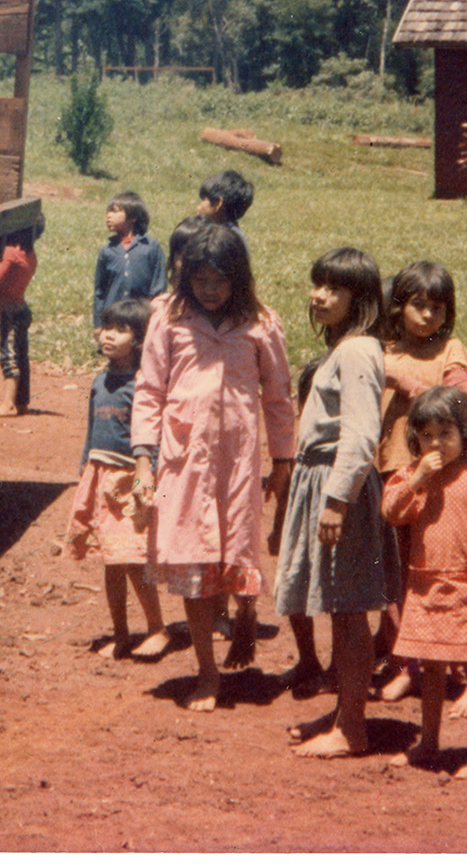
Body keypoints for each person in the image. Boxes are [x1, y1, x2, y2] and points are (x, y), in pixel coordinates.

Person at [131, 225, 294, 713]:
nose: (210, 289)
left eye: (220, 280)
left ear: (238, 279)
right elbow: (149, 391)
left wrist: (283, 460)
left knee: (238, 548)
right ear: (185, 277)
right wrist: (143, 462)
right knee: (191, 555)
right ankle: (206, 669)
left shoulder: (261, 323)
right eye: (200, 278)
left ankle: (245, 616)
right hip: (181, 465)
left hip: (239, 463)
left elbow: (278, 395)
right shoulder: (169, 317)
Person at [274, 248, 387, 758]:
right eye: (316, 283)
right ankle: (345, 711)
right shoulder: (343, 349)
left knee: (347, 608)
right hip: (319, 478)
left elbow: (362, 435)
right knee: (338, 606)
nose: (319, 295)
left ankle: (353, 727)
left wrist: (337, 499)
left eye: (334, 288)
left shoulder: (359, 350)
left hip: (337, 484)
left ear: (359, 299)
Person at [374, 260, 467, 702]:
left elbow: (466, 397)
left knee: (436, 568)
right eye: (418, 305)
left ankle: (451, 661)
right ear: (398, 308)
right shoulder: (384, 350)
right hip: (394, 471)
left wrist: (431, 392)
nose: (428, 316)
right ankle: (405, 661)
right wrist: (400, 375)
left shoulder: (450, 348)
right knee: (396, 572)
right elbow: (375, 371)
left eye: (437, 307)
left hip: (440, 476)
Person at [382, 386, 467, 778]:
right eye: (426, 435)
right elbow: (392, 512)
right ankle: (428, 741)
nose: (436, 443)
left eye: (445, 433)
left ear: (464, 433)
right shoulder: (409, 476)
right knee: (431, 669)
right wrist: (418, 480)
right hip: (425, 585)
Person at [63, 297, 167, 658]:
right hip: (98, 476)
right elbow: (92, 429)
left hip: (128, 481)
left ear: (140, 341)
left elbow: (153, 437)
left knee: (133, 560)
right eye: (107, 327)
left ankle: (157, 629)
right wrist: (84, 468)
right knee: (110, 561)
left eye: (121, 330)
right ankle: (121, 634)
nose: (109, 336)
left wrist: (147, 480)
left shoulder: (144, 386)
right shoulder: (99, 381)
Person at [0, 227, 38, 418]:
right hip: (20, 310)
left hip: (10, 313)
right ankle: (21, 402)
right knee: (21, 357)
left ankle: (8, 404)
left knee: (9, 356)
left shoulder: (11, 253)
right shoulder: (30, 255)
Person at [93, 192, 165, 327]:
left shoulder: (151, 247)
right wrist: (98, 325)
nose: (109, 216)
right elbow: (100, 292)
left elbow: (158, 287)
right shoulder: (107, 251)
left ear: (133, 217)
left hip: (142, 319)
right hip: (113, 319)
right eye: (108, 211)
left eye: (115, 211)